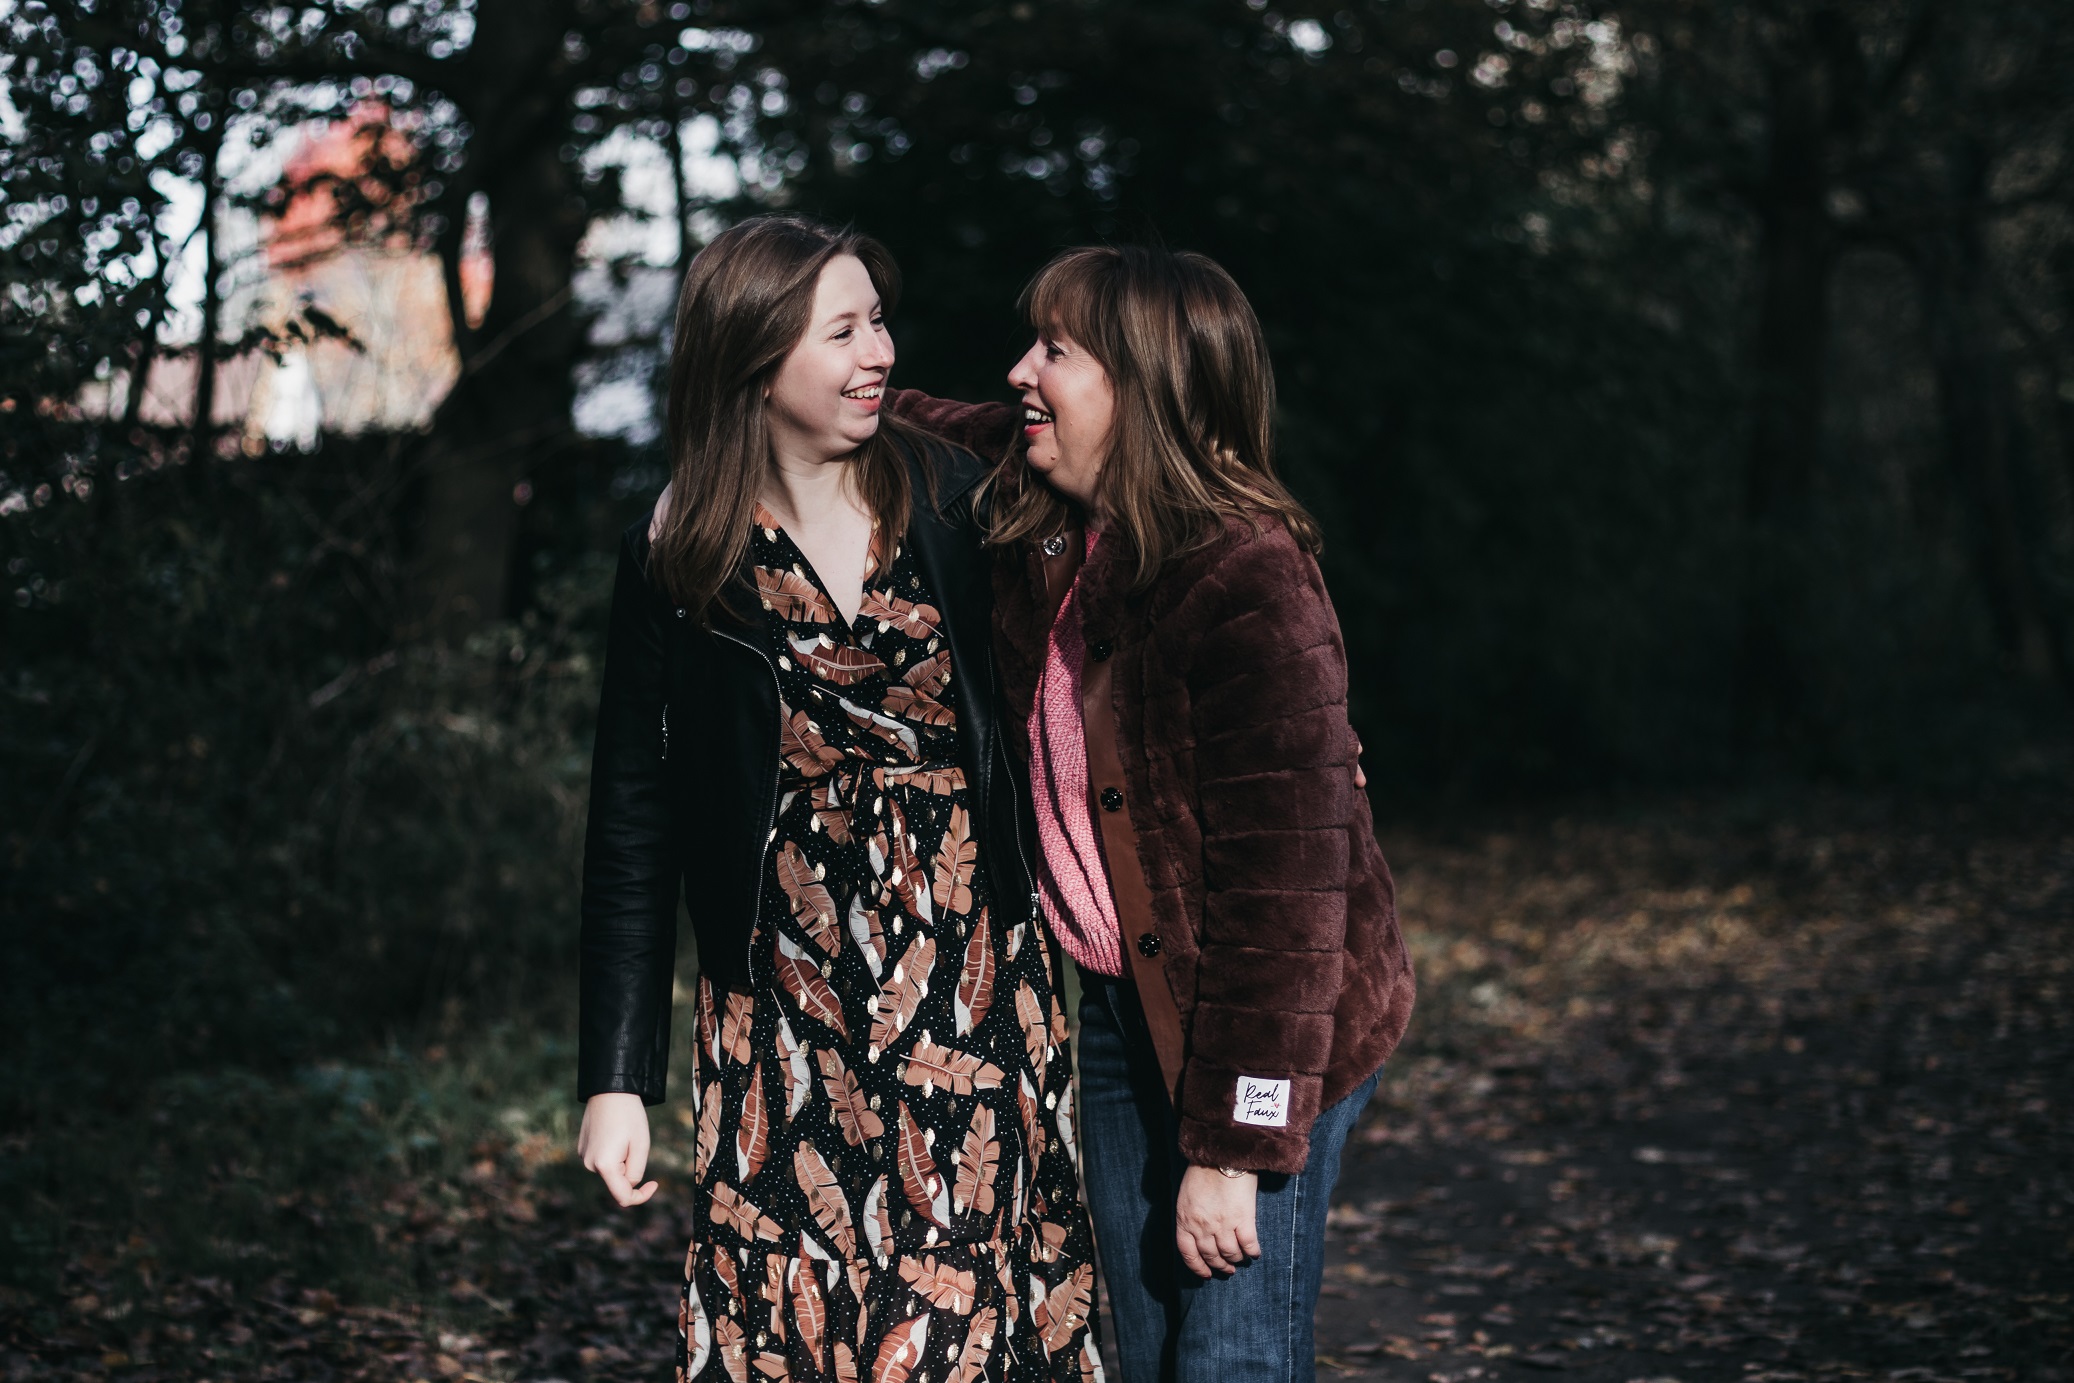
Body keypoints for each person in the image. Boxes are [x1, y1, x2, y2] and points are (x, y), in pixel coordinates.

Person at [576, 216, 1102, 1383]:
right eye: (845, 330)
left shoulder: (960, 498)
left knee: (951, 1330)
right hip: (777, 1009)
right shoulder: (680, 555)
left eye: (879, 320)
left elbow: (1113, 635)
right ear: (755, 361)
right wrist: (617, 1076)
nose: (881, 352)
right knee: (800, 1337)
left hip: (964, 990)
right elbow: (631, 823)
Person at [889, 244, 1415, 1383]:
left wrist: (1231, 1150)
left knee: (1227, 1357)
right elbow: (937, 425)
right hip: (1131, 1013)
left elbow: (1289, 913)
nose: (1022, 371)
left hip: (1268, 1028)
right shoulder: (1050, 514)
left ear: (1144, 389)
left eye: (1057, 350)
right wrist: (798, 388)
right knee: (1154, 1353)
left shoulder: (1246, 579)